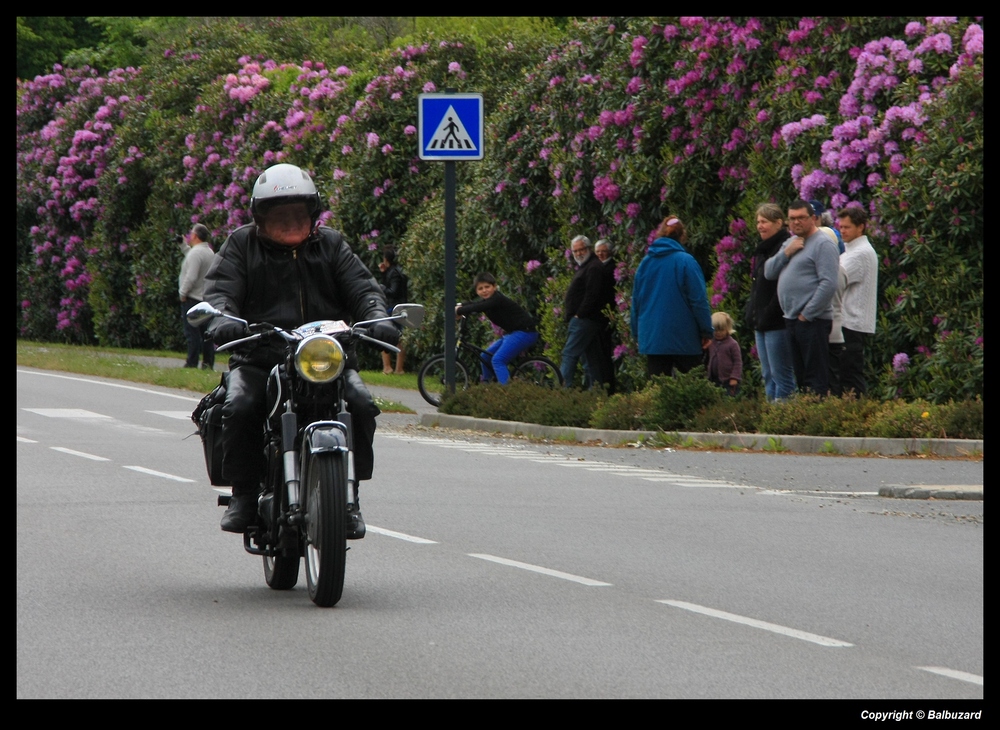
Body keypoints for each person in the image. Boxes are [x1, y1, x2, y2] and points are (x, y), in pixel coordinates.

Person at [204, 163, 398, 535]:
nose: (291, 221)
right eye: (280, 213)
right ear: (260, 218)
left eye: (299, 212)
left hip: (326, 359)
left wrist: (378, 317)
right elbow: (220, 293)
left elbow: (363, 289)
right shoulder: (241, 245)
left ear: (313, 214)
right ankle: (244, 493)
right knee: (241, 406)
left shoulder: (332, 245)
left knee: (360, 404)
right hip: (261, 357)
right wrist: (223, 319)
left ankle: (350, 497)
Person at [764, 199, 840, 396]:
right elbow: (769, 272)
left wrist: (807, 314)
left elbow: (828, 284)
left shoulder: (823, 244)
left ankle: (816, 419)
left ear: (813, 219)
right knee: (801, 375)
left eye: (801, 218)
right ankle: (804, 418)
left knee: (815, 378)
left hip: (812, 321)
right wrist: (786, 253)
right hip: (791, 319)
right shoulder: (791, 243)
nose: (796, 222)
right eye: (792, 219)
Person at [630, 215, 713, 377]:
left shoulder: (645, 264)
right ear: (682, 236)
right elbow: (698, 301)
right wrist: (706, 331)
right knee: (694, 389)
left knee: (657, 392)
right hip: (684, 336)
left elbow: (636, 303)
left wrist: (637, 333)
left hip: (653, 337)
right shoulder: (686, 261)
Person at [746, 204, 796, 401]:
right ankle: (771, 417)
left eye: (764, 221)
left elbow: (782, 288)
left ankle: (784, 419)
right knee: (767, 374)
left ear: (778, 223)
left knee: (781, 375)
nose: (760, 226)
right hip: (761, 323)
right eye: (758, 222)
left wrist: (767, 313)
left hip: (777, 322)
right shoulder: (762, 251)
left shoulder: (786, 247)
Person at [455, 273, 539, 384]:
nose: (484, 290)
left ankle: (507, 394)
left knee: (498, 360)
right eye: (480, 288)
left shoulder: (497, 299)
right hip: (513, 333)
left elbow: (479, 307)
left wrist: (459, 310)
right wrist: (457, 305)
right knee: (485, 356)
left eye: (487, 287)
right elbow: (474, 304)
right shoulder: (487, 301)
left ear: (494, 287)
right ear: (477, 292)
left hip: (525, 332)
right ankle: (488, 385)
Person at [560, 235, 614, 390]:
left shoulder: (594, 267)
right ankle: (596, 393)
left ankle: (561, 391)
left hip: (585, 321)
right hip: (587, 320)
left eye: (581, 249)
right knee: (591, 360)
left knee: (569, 354)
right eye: (575, 251)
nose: (578, 253)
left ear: (589, 249)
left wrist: (579, 314)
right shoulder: (588, 267)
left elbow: (593, 294)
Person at [836, 206, 879, 396]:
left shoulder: (859, 253)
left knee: (850, 376)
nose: (842, 231)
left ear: (860, 227)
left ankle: (857, 415)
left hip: (851, 323)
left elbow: (834, 280)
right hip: (849, 322)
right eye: (841, 227)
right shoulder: (851, 251)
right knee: (846, 375)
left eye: (847, 227)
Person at [179, 224, 216, 370]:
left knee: (192, 333)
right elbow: (194, 257)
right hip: (205, 298)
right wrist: (183, 247)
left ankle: (192, 362)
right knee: (206, 334)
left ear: (195, 236)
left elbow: (191, 276)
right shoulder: (209, 252)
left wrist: (183, 293)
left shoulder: (195, 254)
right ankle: (208, 363)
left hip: (192, 298)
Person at [378, 244, 408, 374]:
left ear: (386, 259)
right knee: (398, 337)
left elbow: (392, 291)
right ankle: (397, 369)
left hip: (394, 308)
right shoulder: (396, 271)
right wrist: (384, 273)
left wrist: (381, 287)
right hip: (398, 306)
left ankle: (389, 367)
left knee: (385, 335)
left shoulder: (394, 273)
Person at [593, 238, 618, 395]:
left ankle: (608, 388)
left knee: (604, 354)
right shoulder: (599, 267)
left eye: (603, 251)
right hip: (601, 316)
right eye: (598, 252)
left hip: (605, 317)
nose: (600, 254)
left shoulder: (609, 268)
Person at [707, 312, 742, 396]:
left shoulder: (732, 344)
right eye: (715, 330)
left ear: (727, 329)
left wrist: (734, 377)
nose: (718, 333)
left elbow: (738, 362)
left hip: (728, 381)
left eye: (721, 330)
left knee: (729, 399)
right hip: (713, 380)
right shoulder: (711, 342)